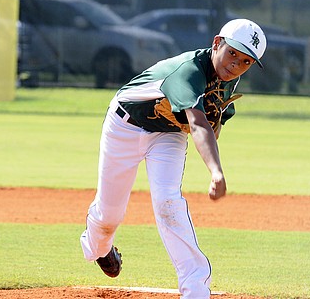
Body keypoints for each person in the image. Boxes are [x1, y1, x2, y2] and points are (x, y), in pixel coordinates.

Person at [79, 19, 266, 298]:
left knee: (169, 203)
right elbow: (198, 124)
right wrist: (216, 171)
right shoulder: (188, 71)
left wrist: (216, 123)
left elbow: (211, 129)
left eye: (245, 62)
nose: (235, 65)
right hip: (125, 126)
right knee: (110, 214)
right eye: (233, 53)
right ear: (217, 43)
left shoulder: (228, 82)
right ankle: (98, 247)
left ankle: (195, 289)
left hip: (168, 135)